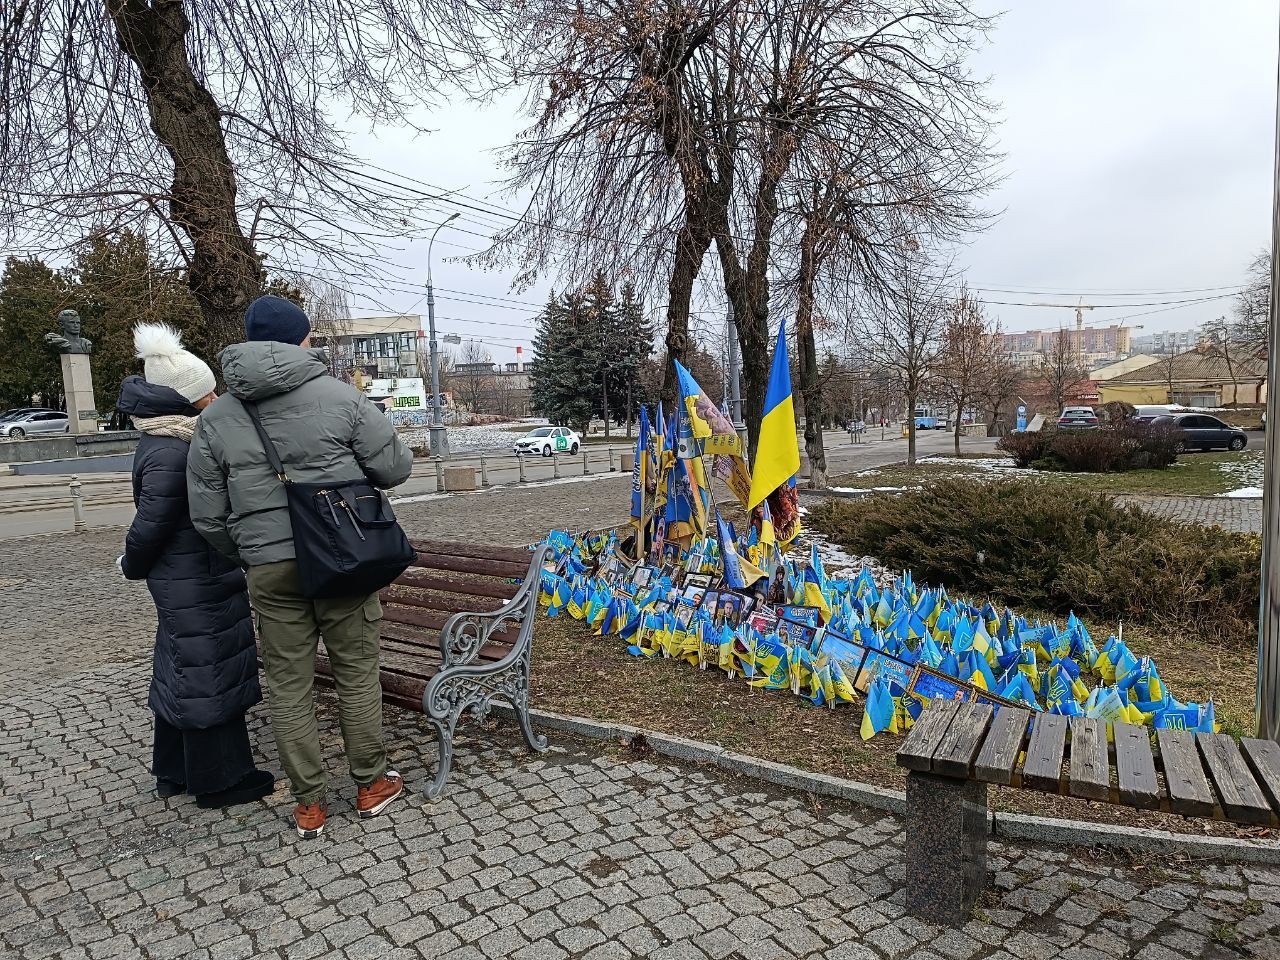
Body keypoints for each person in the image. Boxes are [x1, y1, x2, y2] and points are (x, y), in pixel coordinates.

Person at [187, 296, 414, 839]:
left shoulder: (215, 417)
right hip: (342, 558)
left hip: (268, 566)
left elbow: (207, 514)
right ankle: (370, 784)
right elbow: (394, 468)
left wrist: (250, 552)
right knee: (356, 672)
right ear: (302, 340)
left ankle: (309, 805)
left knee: (289, 684)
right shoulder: (341, 397)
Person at [117, 323, 272, 809]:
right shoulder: (174, 450)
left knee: (181, 664)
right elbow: (152, 523)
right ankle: (219, 780)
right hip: (194, 574)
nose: (213, 400)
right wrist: (131, 562)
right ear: (182, 400)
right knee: (209, 670)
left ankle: (174, 770)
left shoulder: (167, 441)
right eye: (205, 394)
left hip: (186, 574)